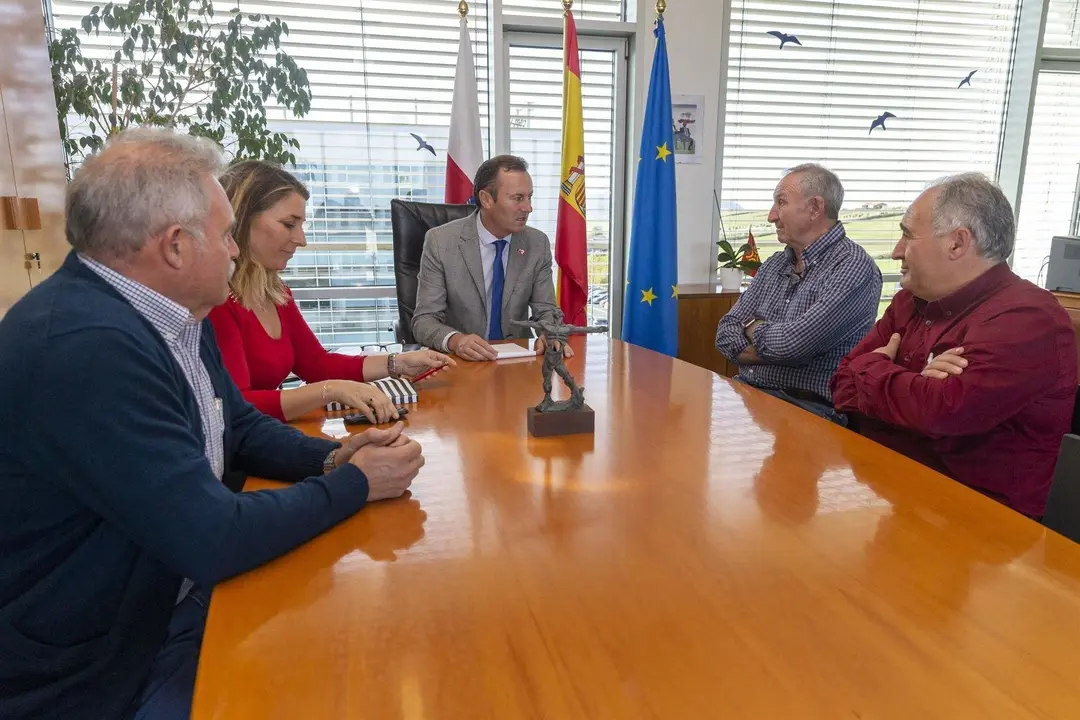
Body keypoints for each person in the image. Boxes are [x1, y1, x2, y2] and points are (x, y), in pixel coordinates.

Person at [0, 129, 425, 720]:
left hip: (165, 600)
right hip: (102, 668)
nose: (234, 250)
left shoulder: (169, 313)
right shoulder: (84, 347)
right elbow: (213, 536)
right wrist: (357, 484)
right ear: (175, 246)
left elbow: (238, 427)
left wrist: (333, 458)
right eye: (227, 235)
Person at [830, 173, 1077, 519]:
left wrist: (876, 369)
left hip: (982, 532)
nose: (896, 251)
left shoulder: (1028, 317)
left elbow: (942, 413)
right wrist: (916, 384)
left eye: (907, 235)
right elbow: (841, 384)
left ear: (958, 243)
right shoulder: (908, 301)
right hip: (894, 498)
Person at [208, 160, 454, 423]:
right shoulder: (214, 301)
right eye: (289, 224)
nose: (301, 239)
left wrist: (397, 363)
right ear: (242, 220)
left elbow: (315, 364)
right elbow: (236, 406)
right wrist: (330, 391)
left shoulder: (276, 291)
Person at [715, 163, 881, 424]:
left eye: (781, 203)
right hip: (749, 396)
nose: (771, 216)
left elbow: (793, 346)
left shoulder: (853, 266)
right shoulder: (775, 264)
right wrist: (777, 347)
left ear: (815, 208)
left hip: (809, 411)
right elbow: (724, 333)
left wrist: (752, 328)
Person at [411, 155, 563, 361]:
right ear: (486, 199)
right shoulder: (441, 242)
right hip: (460, 364)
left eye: (530, 197)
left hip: (517, 363)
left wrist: (550, 334)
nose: (528, 208)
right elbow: (424, 321)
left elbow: (546, 310)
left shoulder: (537, 243)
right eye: (518, 198)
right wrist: (457, 340)